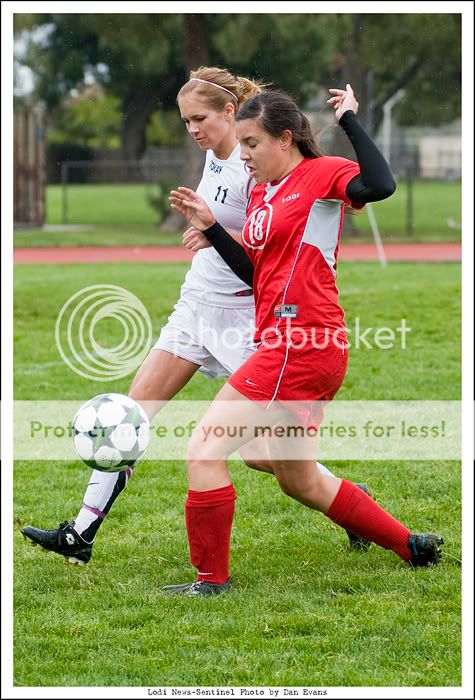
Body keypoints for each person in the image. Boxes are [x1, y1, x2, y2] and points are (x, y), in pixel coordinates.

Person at [21, 68, 371, 566]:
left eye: (200, 118)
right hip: (195, 307)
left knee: (262, 456)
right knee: (131, 416)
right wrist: (205, 233)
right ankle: (81, 532)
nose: (192, 130)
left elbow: (262, 267)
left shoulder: (258, 171)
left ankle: (350, 508)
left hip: (242, 317)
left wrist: (213, 233)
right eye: (185, 120)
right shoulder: (213, 154)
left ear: (231, 113)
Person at [163, 85, 444, 597]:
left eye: (251, 144)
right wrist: (212, 229)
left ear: (285, 138)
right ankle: (413, 546)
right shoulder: (266, 193)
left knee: (205, 450)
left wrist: (351, 122)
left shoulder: (320, 173)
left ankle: (211, 582)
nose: (242, 155)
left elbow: (380, 185)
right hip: (297, 347)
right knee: (299, 479)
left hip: (300, 343)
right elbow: (256, 270)